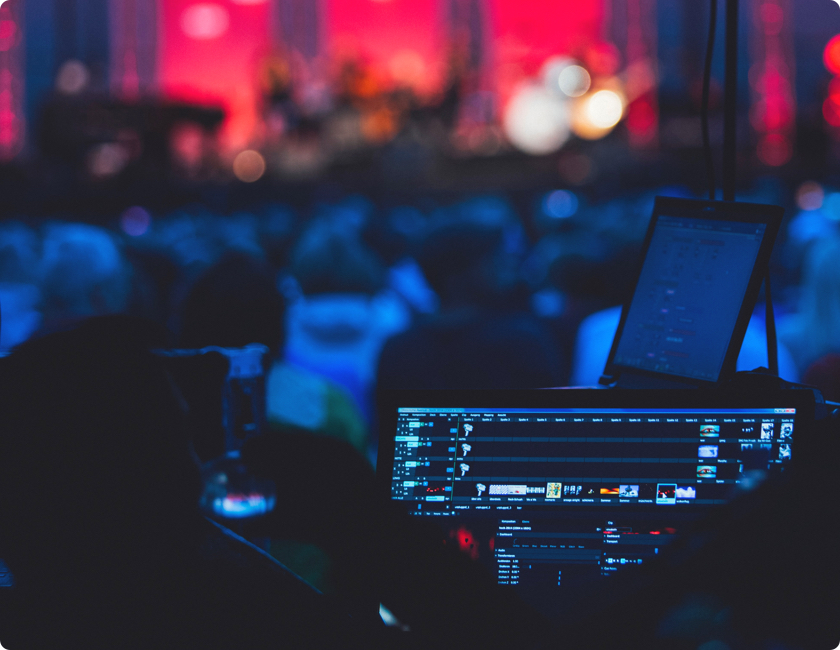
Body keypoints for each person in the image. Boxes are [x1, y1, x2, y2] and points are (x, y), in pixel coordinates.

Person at [0, 316, 373, 649]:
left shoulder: (34, 615)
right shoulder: (241, 616)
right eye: (178, 440)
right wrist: (360, 546)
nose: (196, 471)